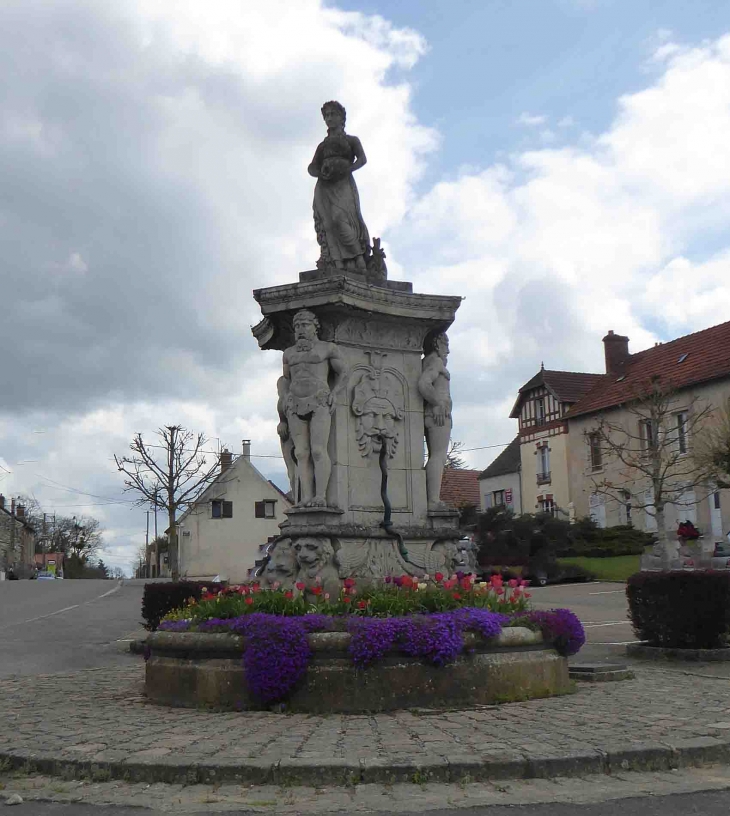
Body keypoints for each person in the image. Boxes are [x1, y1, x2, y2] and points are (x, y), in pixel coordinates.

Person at [281, 309, 348, 507]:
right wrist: (285, 397)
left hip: (319, 400)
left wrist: (335, 393)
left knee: (319, 450)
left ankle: (321, 496)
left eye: (305, 325)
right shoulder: (288, 353)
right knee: (301, 453)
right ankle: (306, 497)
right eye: (297, 326)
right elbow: (286, 379)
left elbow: (344, 372)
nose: (300, 330)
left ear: (315, 327)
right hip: (295, 403)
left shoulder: (328, 348)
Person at [308, 100, 370, 273]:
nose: (329, 118)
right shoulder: (322, 145)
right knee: (327, 223)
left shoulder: (351, 140)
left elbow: (362, 159)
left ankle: (358, 258)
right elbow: (312, 167)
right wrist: (321, 172)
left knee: (340, 219)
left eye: (332, 114)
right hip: (324, 187)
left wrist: (346, 170)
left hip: (343, 184)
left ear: (341, 117)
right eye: (326, 116)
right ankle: (336, 262)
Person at [418, 332, 452, 510]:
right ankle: (433, 500)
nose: (448, 350)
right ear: (437, 345)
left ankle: (431, 498)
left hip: (434, 413)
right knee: (438, 456)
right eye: (446, 345)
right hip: (438, 414)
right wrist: (438, 403)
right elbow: (424, 383)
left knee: (436, 455)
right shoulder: (435, 361)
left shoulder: (428, 361)